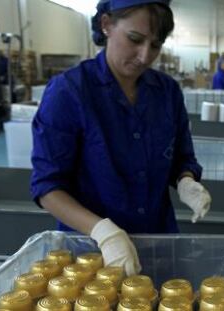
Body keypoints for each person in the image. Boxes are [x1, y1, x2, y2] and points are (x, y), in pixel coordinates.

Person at [30, 0, 212, 276]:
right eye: (135, 39)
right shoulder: (70, 92)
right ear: (107, 25)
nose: (144, 56)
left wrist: (186, 181)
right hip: (91, 254)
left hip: (158, 243)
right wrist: (103, 232)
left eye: (155, 45)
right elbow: (48, 187)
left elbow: (181, 157)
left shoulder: (167, 92)